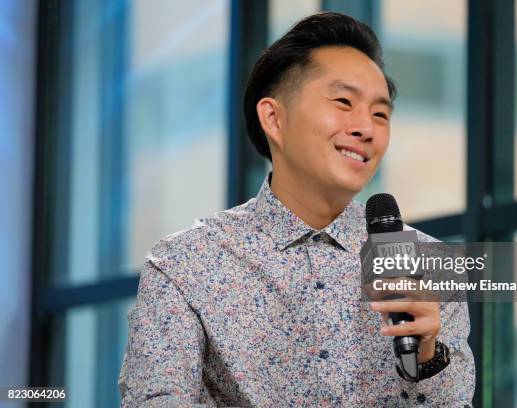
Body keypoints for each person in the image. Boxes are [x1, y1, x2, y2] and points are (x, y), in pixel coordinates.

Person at [119, 12, 474, 407]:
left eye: (380, 114)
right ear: (273, 117)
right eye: (343, 102)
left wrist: (426, 356)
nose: (366, 128)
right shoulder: (183, 265)